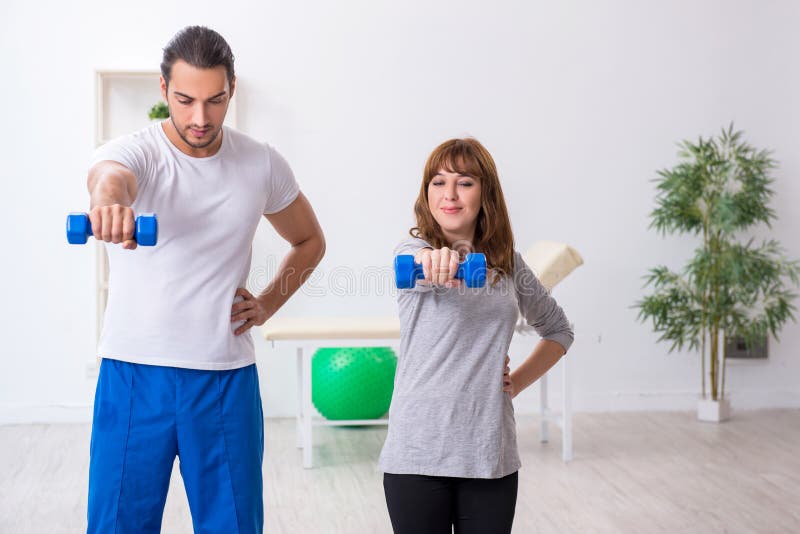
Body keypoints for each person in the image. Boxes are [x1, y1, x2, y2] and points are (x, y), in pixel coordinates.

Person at [85, 26, 325, 533]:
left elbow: (309, 242)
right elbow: (111, 177)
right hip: (133, 373)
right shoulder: (138, 152)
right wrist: (109, 203)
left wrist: (266, 304)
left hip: (223, 376)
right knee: (117, 524)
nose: (200, 118)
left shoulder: (260, 162)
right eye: (185, 100)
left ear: (231, 89)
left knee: (233, 525)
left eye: (215, 100)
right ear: (163, 89)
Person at [379, 138, 574, 534]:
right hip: (417, 452)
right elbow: (416, 263)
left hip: (488, 452)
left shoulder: (508, 264)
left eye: (464, 182)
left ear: (485, 192)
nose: (449, 194)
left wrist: (514, 382)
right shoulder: (413, 250)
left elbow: (558, 331)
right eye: (438, 182)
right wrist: (438, 259)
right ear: (427, 193)